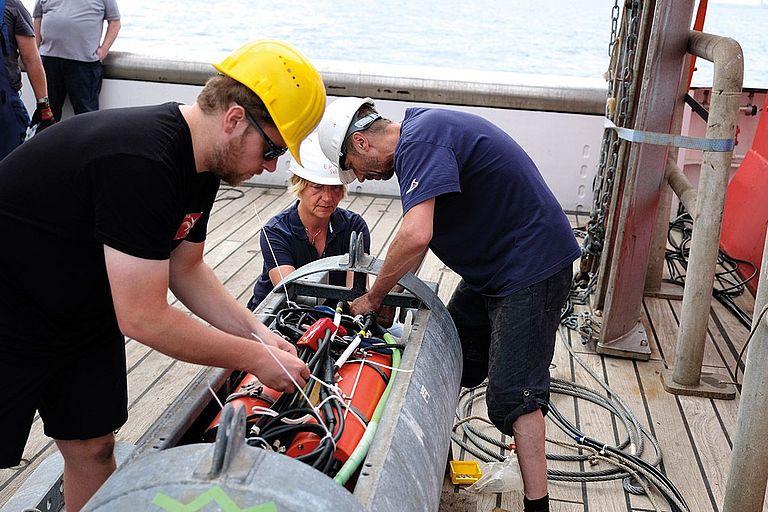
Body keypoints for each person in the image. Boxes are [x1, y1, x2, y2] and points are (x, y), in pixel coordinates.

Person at [0, 39, 326, 512]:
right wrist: (253, 357)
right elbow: (144, 317)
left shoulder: (202, 165)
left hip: (80, 307)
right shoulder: (143, 160)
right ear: (235, 119)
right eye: (272, 148)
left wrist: (260, 334)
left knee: (94, 445)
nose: (271, 166)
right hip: (11, 304)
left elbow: (185, 267)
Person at [317, 97, 579, 512]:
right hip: (495, 271)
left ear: (362, 143)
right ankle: (434, 456)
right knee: (450, 353)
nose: (361, 178)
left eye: (353, 166)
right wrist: (393, 293)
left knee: (516, 395)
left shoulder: (420, 142)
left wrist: (374, 296)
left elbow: (415, 234)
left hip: (529, 269)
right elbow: (420, 238)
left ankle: (538, 505)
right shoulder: (421, 135)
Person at [248, 133, 371, 310]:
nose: (327, 198)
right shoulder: (275, 232)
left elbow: (356, 293)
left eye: (335, 188)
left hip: (334, 316)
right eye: (317, 187)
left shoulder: (355, 227)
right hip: (279, 315)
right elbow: (291, 292)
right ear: (299, 186)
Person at [32, 0, 121, 121]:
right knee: (46, 113)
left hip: (84, 64)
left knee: (86, 115)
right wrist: (35, 51)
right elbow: (38, 18)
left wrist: (104, 50)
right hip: (49, 61)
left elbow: (115, 22)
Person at [0, 0, 54, 160]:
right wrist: (44, 107)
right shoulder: (12, 6)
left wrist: (43, 106)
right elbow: (31, 59)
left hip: (4, 108)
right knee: (14, 164)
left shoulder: (11, 7)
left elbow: (31, 60)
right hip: (5, 107)